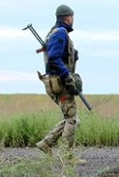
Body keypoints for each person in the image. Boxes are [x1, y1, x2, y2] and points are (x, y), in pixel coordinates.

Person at [36, 4, 85, 164]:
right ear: (68, 17)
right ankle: (67, 156)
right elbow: (54, 58)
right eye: (72, 17)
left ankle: (46, 143)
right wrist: (67, 77)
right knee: (72, 119)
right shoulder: (61, 34)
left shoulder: (53, 33)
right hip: (60, 82)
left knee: (69, 118)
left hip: (54, 82)